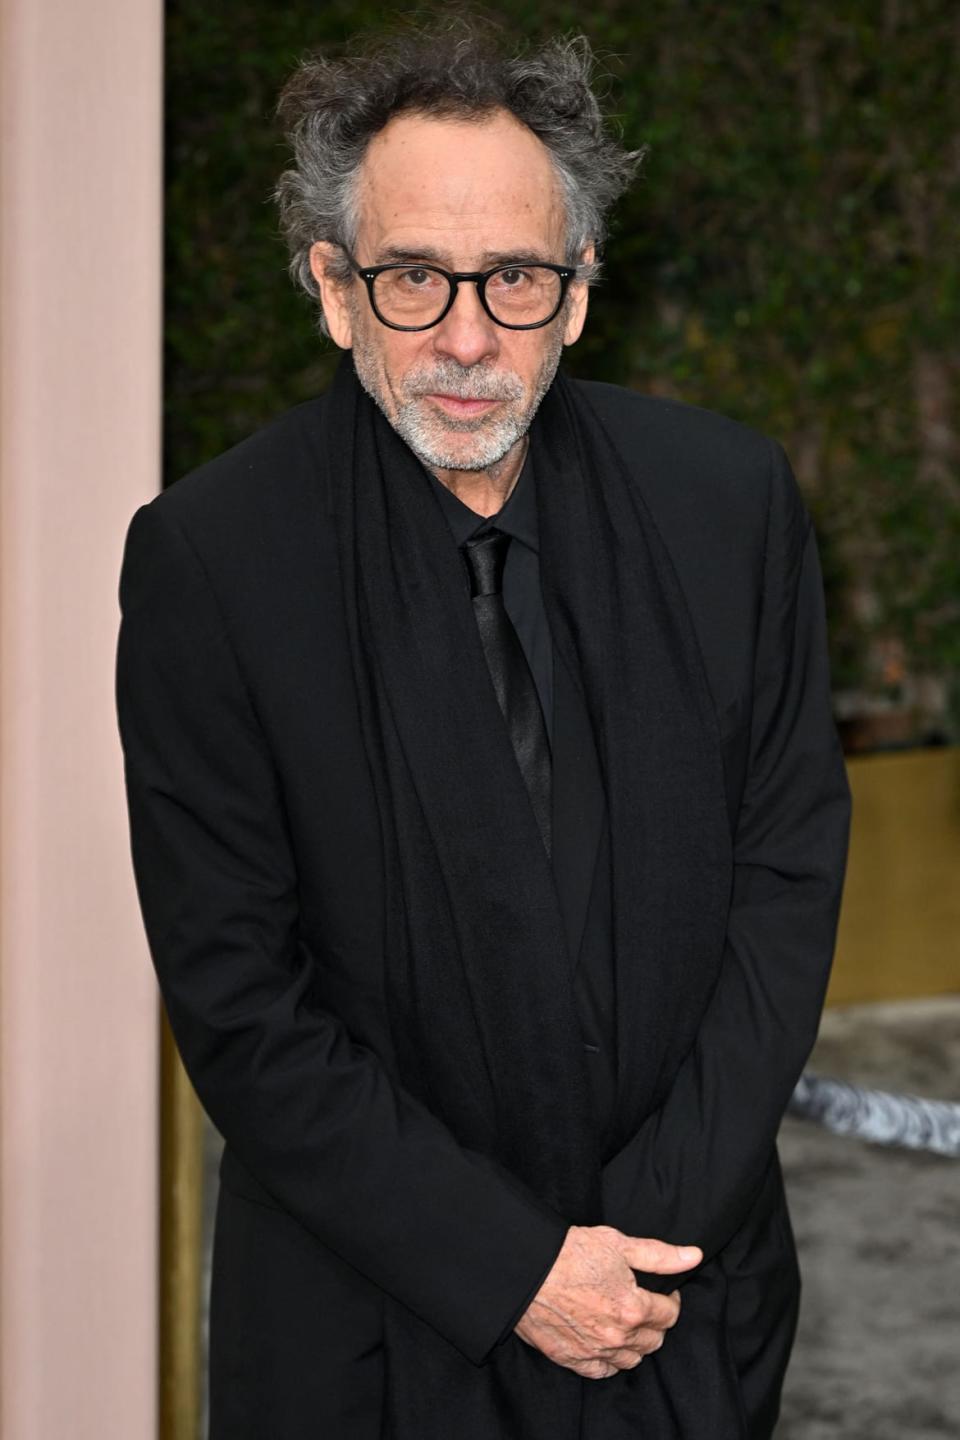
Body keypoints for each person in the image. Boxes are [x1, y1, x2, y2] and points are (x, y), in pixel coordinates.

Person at [115, 18, 851, 1440]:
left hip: (677, 1301)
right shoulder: (211, 562)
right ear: (334, 288)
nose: (465, 336)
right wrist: (516, 1270)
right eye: (412, 279)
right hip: (375, 1335)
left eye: (512, 277)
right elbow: (243, 1003)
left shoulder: (729, 505)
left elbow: (786, 877)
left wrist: (630, 1244)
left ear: (577, 293)